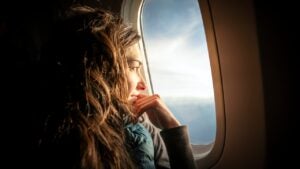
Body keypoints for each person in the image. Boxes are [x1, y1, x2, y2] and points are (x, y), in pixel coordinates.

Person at [35, 4, 196, 169]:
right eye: (133, 67)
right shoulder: (56, 139)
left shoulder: (144, 127)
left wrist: (173, 127)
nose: (143, 84)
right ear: (99, 72)